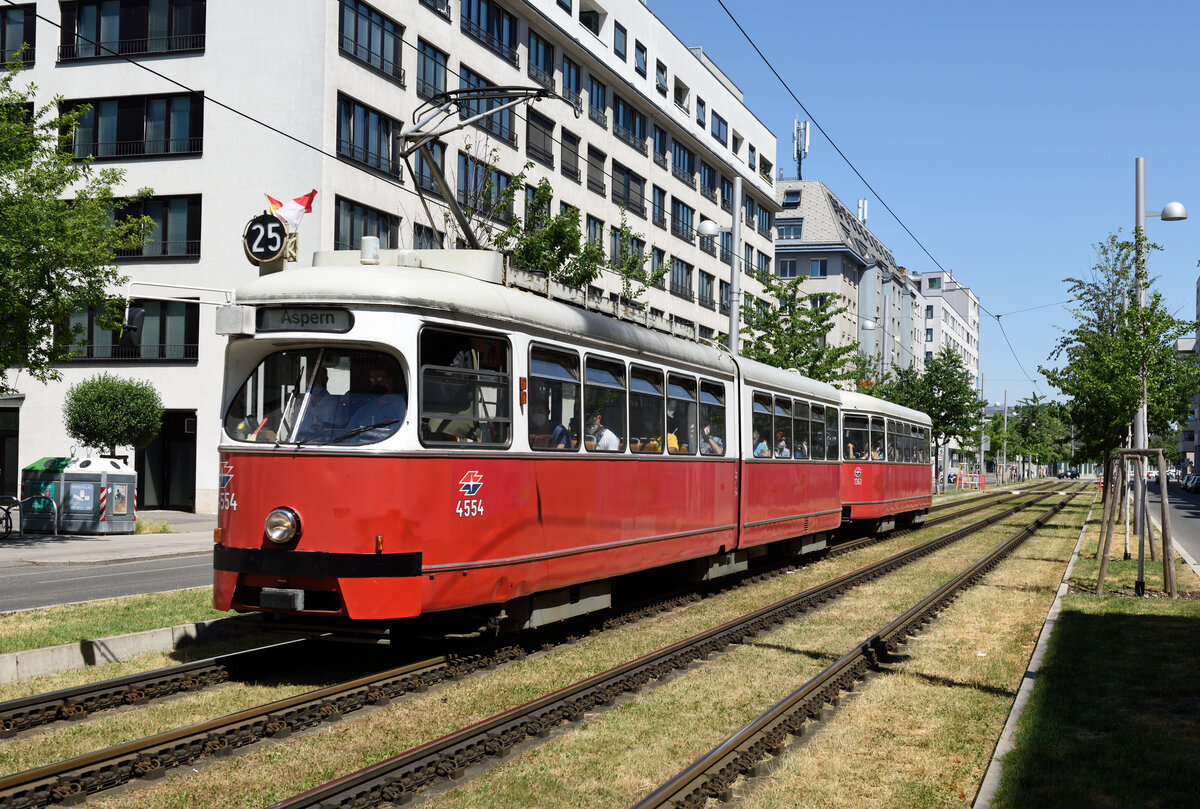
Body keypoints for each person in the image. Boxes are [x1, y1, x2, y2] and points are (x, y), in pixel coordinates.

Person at [347, 364, 405, 436]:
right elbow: (350, 431)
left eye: (380, 379)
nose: (375, 383)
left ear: (390, 380)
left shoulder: (400, 404)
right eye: (372, 380)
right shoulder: (366, 407)